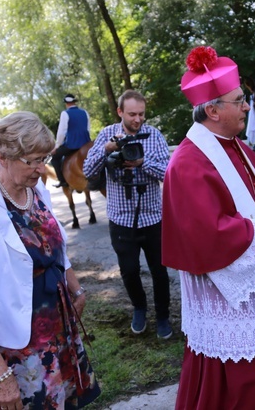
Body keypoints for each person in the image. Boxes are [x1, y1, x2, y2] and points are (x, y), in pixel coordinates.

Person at [162, 46, 255, 409]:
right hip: (228, 299)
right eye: (239, 100)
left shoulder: (237, 146)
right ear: (212, 110)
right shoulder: (188, 163)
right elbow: (209, 236)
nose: (248, 106)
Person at [0, 111, 100, 409]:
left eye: (43, 158)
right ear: (2, 156)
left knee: (65, 401)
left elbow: (56, 244)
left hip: (59, 322)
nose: (40, 169)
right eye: (31, 160)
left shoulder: (37, 187)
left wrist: (76, 288)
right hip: (19, 339)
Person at [82, 90, 173, 339]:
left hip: (153, 217)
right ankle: (140, 308)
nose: (138, 119)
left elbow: (168, 172)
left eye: (142, 114)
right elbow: (88, 170)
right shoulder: (106, 135)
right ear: (120, 112)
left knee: (159, 270)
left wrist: (142, 163)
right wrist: (105, 149)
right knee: (129, 270)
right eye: (132, 114)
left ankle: (163, 316)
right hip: (121, 219)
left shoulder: (154, 135)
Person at [51, 93, 91, 188]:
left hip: (72, 145)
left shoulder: (65, 113)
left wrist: (57, 146)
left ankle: (63, 181)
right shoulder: (85, 112)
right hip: (86, 143)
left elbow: (62, 132)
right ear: (74, 102)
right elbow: (88, 128)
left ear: (66, 103)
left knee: (55, 158)